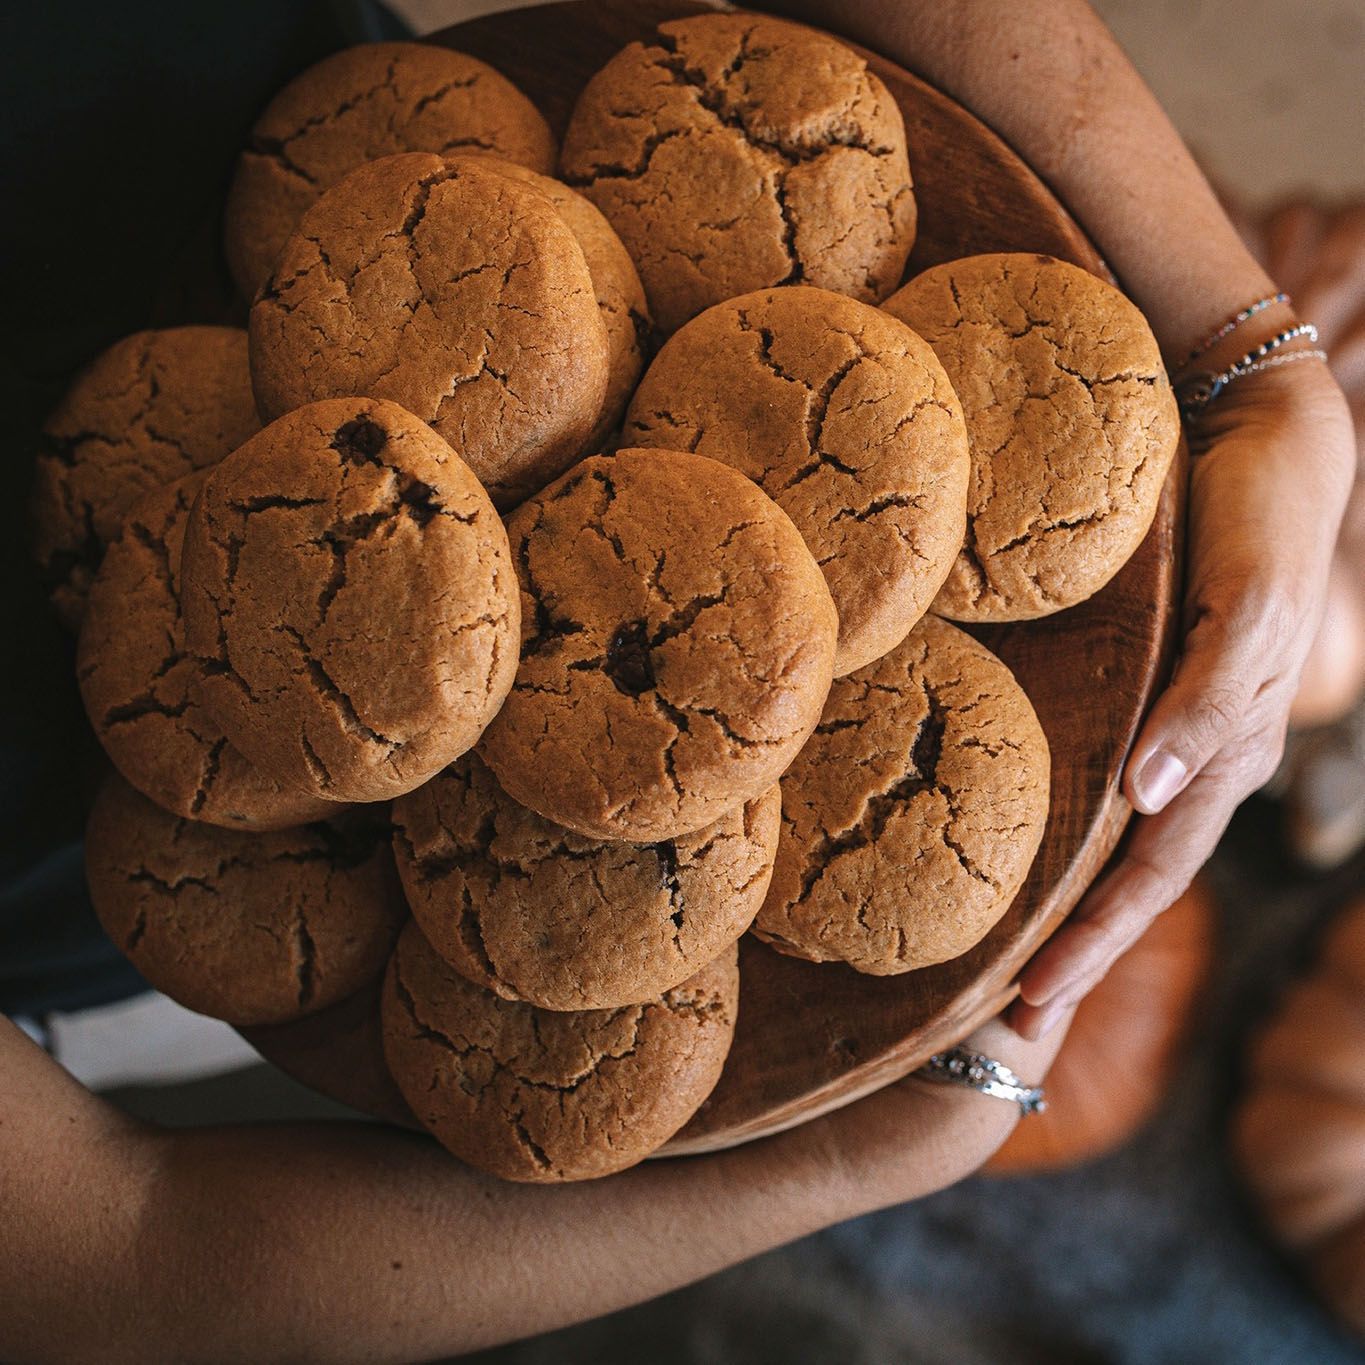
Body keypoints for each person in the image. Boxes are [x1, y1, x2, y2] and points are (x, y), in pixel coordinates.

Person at [0, 0, 1354, 1359]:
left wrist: (1256, 355)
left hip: (387, 198)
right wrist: (845, 1169)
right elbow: (120, 1250)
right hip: (127, 833)